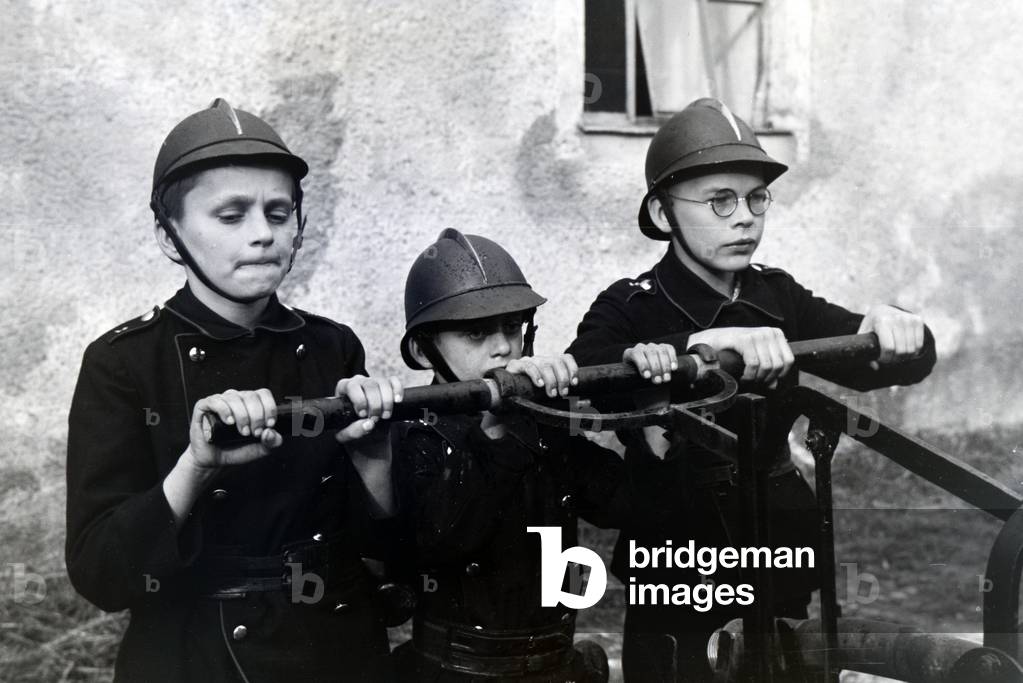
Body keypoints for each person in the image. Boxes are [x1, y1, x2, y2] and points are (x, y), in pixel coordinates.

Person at [566, 97, 937, 682]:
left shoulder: (779, 296)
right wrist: (703, 343)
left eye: (756, 198)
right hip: (676, 554)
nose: (744, 218)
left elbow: (869, 355)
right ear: (663, 214)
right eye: (720, 200)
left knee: (782, 666)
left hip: (775, 546)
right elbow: (588, 371)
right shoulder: (630, 303)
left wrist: (896, 328)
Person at [66, 99, 403, 682]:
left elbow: (385, 545)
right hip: (195, 654)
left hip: (338, 646)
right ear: (169, 235)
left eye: (279, 212)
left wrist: (373, 458)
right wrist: (195, 467)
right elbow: (102, 574)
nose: (263, 235)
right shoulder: (122, 363)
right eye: (231, 215)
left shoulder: (333, 348)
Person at [390, 229, 676, 682]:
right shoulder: (414, 431)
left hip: (554, 666)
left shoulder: (540, 422)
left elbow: (629, 505)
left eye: (512, 327)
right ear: (424, 350)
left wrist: (654, 408)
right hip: (454, 673)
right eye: (476, 333)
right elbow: (445, 542)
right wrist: (500, 426)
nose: (503, 346)